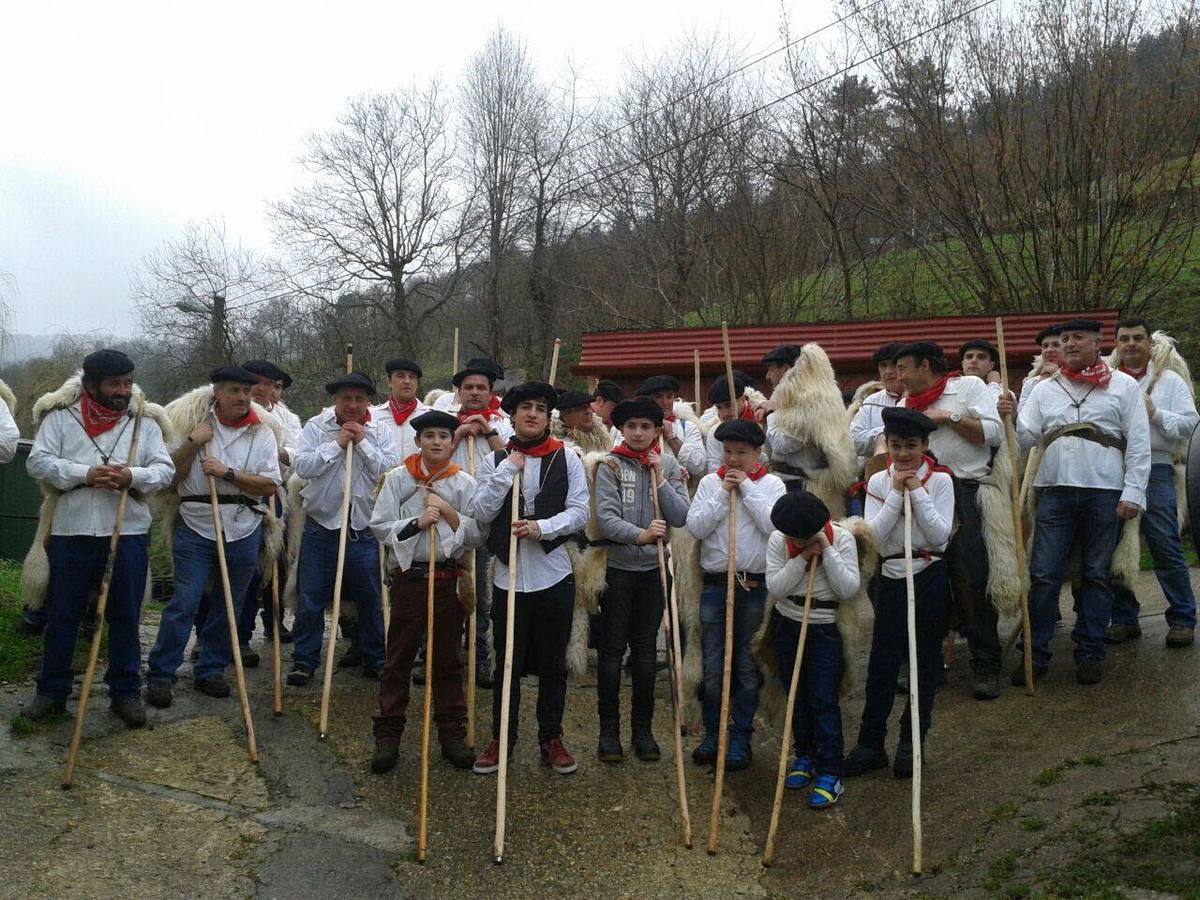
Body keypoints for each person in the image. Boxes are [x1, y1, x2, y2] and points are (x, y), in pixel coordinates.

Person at [22, 350, 175, 726]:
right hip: (71, 531)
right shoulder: (61, 418)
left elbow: (164, 470)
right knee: (63, 615)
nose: (123, 391)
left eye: (127, 383)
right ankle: (52, 692)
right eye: (114, 384)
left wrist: (131, 477)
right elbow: (37, 462)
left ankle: (124, 692)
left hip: (127, 532)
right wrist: (85, 473)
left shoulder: (145, 423)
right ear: (91, 384)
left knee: (124, 615)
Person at [1000, 318, 1150, 685]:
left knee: (1096, 576)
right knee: (1044, 575)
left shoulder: (1124, 386)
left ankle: (1090, 653)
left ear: (1097, 344)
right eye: (1064, 339)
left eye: (1077, 338)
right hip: (1054, 491)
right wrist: (1008, 415)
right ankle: (1037, 656)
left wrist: (1133, 492)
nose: (1068, 344)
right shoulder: (1044, 389)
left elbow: (1140, 443)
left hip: (1105, 492)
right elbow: (1025, 437)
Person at [470, 382, 590, 776]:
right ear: (513, 414)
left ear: (548, 416)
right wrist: (507, 470)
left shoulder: (567, 457)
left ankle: (551, 737)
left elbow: (579, 513)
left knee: (553, 664)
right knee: (508, 663)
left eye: (541, 408)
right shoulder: (498, 459)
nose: (533, 413)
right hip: (508, 577)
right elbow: (482, 512)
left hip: (553, 575)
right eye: (526, 407)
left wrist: (543, 527)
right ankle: (501, 737)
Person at [145, 366, 282, 708]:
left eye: (246, 392)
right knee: (184, 602)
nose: (242, 397)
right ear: (216, 393)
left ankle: (211, 668)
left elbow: (269, 485)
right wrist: (192, 444)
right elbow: (169, 481)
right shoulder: (193, 426)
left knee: (230, 604)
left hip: (244, 526)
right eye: (234, 390)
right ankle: (161, 674)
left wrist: (228, 473)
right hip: (195, 523)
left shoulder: (261, 432)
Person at [368, 410, 481, 773]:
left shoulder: (463, 483)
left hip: (449, 580)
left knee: (447, 661)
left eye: (443, 436)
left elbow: (478, 533)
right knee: (399, 658)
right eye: (429, 435)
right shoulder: (399, 479)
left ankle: (451, 734)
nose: (436, 441)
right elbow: (380, 526)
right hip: (410, 579)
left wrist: (448, 512)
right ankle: (388, 735)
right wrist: (416, 522)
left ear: (453, 442)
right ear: (418, 441)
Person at [844, 407, 954, 778]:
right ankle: (870, 742)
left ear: (924, 445)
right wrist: (894, 493)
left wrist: (917, 492)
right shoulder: (878, 481)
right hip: (891, 575)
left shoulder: (940, 480)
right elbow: (874, 534)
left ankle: (912, 743)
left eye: (911, 445)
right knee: (882, 663)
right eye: (895, 445)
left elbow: (940, 535)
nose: (903, 454)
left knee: (923, 662)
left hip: (928, 572)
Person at [895, 341, 1005, 699]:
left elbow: (993, 434)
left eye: (903, 369)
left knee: (971, 577)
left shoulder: (968, 387)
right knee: (924, 579)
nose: (898, 377)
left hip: (964, 490)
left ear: (925, 366)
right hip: (917, 489)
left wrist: (948, 418)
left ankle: (986, 662)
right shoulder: (902, 405)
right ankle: (927, 664)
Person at [592, 397, 690, 762]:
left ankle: (643, 730)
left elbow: (681, 517)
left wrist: (661, 478)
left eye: (645, 427)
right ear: (621, 429)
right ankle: (609, 731)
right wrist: (640, 535)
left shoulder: (669, 464)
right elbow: (605, 518)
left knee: (647, 654)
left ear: (656, 430)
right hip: (617, 571)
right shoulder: (609, 466)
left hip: (654, 573)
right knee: (612, 652)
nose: (637, 432)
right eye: (631, 426)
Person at [685, 419, 785, 771]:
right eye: (727, 451)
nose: (733, 459)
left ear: (757, 454)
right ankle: (714, 734)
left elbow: (776, 527)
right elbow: (695, 527)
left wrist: (747, 490)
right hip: (715, 586)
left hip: (754, 587)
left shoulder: (771, 484)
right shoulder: (711, 483)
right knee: (713, 667)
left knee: (745, 666)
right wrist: (721, 495)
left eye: (741, 453)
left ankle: (740, 737)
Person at [287, 372, 399, 685]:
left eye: (359, 399)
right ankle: (304, 660)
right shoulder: (316, 427)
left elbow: (389, 470)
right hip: (321, 529)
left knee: (371, 600)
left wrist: (360, 442)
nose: (352, 405)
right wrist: (338, 444)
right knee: (310, 600)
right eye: (346, 398)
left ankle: (375, 658)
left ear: (368, 401)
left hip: (363, 530)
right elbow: (303, 466)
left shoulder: (380, 431)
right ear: (335, 400)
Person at [764, 490, 860, 809]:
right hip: (788, 621)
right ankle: (805, 755)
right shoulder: (779, 540)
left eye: (801, 538)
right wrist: (802, 559)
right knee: (796, 694)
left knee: (823, 698)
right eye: (792, 537)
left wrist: (827, 551)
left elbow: (848, 588)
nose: (795, 541)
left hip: (825, 627)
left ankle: (831, 770)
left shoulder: (843, 539)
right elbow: (776, 586)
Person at [1106, 318, 1197, 649]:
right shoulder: (1109, 382)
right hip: (1115, 467)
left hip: (1157, 467)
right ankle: (1125, 619)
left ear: (1149, 344)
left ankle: (1183, 619)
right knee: (1116, 545)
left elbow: (1190, 426)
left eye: (1138, 339)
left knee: (1164, 543)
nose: (1131, 344)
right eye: (1124, 339)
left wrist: (1155, 412)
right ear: (1115, 345)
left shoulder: (1170, 381)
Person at [448, 358, 514, 689]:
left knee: (486, 596)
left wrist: (488, 433)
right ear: (458, 392)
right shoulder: (443, 423)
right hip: (451, 521)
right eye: (468, 388)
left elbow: (513, 462)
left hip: (490, 523)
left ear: (491, 393)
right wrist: (458, 434)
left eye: (481, 388)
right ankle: (443, 656)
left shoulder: (505, 424)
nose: (474, 393)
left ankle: (482, 658)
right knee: (449, 591)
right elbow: (430, 461)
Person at [632, 374, 707, 481]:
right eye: (658, 397)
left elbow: (698, 466)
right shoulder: (632, 427)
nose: (665, 403)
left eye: (669, 396)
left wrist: (671, 437)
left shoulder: (688, 427)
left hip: (678, 492)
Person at [849, 342, 906, 458]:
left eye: (894, 364)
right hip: (879, 472)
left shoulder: (924, 394)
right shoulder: (871, 401)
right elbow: (852, 441)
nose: (888, 371)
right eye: (883, 365)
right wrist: (884, 433)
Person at [373, 357, 428, 462]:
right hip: (382, 478)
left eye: (412, 377)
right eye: (401, 376)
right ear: (389, 381)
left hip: (418, 478)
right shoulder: (374, 417)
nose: (407, 381)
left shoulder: (428, 416)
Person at [703, 373, 759, 473]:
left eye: (728, 405)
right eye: (719, 407)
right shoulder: (714, 433)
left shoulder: (762, 420)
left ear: (742, 400)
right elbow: (714, 469)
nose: (724, 414)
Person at [554, 389, 614, 455]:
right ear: (565, 415)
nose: (589, 412)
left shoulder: (603, 440)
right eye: (581, 408)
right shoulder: (558, 448)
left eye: (589, 407)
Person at [1019, 326, 1064, 411]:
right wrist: (1042, 386)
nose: (1049, 350)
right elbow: (1023, 417)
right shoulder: (1031, 383)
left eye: (1056, 345)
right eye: (1045, 346)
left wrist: (1059, 377)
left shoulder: (1082, 377)